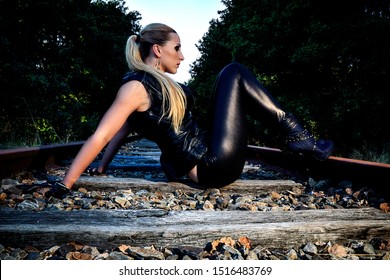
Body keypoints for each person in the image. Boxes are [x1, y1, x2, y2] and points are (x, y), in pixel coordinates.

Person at [55, 22, 333, 193]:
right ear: (157, 50)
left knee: (230, 77)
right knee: (233, 72)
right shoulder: (135, 88)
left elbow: (122, 130)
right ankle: (299, 138)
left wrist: (103, 167)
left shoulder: (150, 85)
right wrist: (65, 184)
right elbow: (102, 135)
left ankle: (298, 141)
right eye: (177, 48)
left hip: (209, 159)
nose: (182, 56)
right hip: (212, 166)